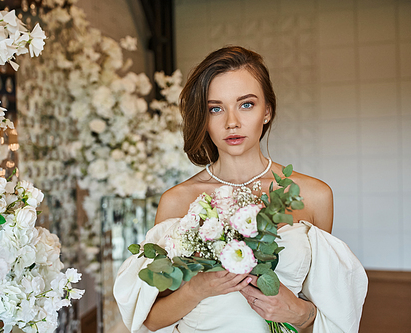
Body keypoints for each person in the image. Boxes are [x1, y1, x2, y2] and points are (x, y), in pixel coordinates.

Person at [113, 46, 367, 333]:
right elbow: (149, 320)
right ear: (204, 118)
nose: (231, 122)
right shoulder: (177, 201)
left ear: (267, 111)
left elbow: (323, 305)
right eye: (215, 108)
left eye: (246, 104)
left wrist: (300, 313)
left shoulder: (314, 196)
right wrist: (196, 289)